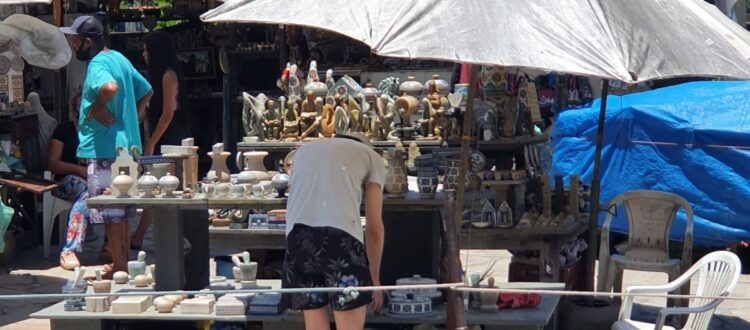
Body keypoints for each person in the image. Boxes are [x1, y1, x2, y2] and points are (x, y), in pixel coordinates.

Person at [60, 16, 153, 278]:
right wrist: (132, 117)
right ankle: (121, 265)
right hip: (126, 150)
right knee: (120, 213)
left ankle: (121, 267)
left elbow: (109, 87)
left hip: (105, 151)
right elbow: (146, 89)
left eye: (75, 40)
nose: (73, 44)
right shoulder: (119, 58)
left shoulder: (98, 63)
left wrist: (99, 106)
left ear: (87, 43)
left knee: (112, 214)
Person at [282, 132, 385, 330]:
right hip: (340, 237)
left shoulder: (302, 152)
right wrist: (375, 278)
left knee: (315, 326)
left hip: (298, 237)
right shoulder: (372, 157)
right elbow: (374, 228)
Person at [130, 30, 189, 249]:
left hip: (170, 137)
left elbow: (167, 113)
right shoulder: (153, 77)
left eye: (146, 50)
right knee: (153, 188)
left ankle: (171, 236)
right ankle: (140, 235)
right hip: (160, 134)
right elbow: (144, 112)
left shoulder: (168, 75)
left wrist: (152, 142)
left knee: (166, 187)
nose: (144, 55)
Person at [49, 90, 89, 270]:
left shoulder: (97, 132)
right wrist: (79, 169)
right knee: (86, 193)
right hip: (64, 181)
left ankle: (110, 246)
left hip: (91, 180)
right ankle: (69, 249)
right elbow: (53, 164)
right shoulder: (64, 130)